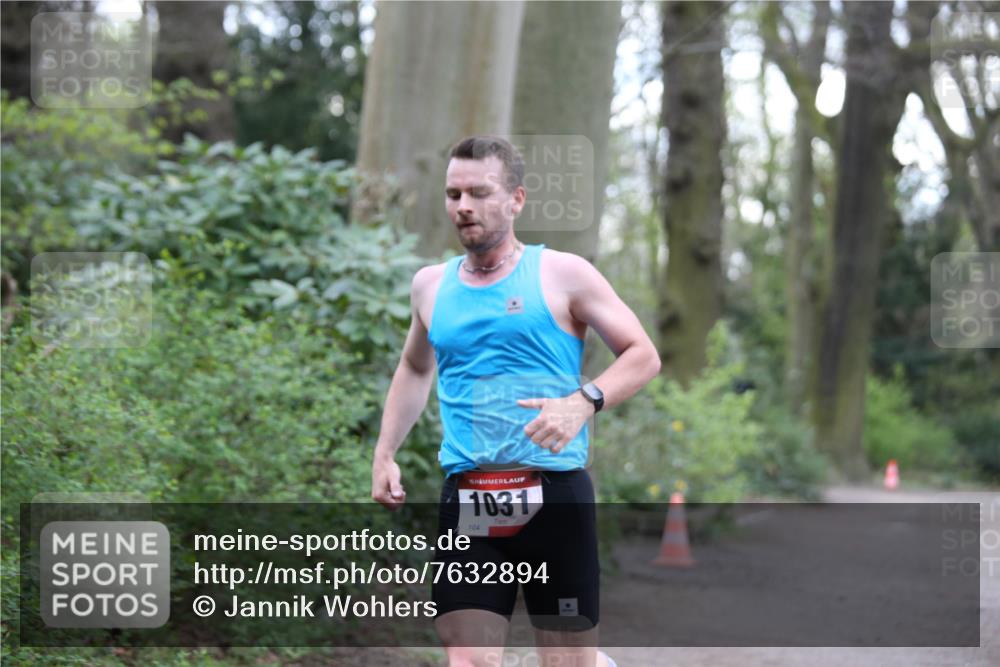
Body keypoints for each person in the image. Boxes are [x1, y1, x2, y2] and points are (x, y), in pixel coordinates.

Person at [371, 135, 660, 667]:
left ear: (516, 200)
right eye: (454, 194)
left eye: (479, 192)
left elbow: (642, 354)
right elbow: (415, 366)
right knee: (469, 659)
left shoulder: (563, 274)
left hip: (554, 496)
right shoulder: (430, 287)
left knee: (565, 662)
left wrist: (583, 401)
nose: (463, 207)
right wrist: (385, 452)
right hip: (470, 498)